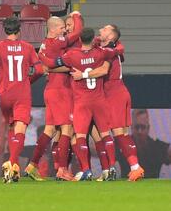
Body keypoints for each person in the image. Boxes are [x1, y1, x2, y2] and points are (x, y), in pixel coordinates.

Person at [42, 28, 122, 181]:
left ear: (80, 40)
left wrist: (41, 55)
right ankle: (111, 167)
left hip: (81, 102)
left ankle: (86, 170)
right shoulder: (101, 53)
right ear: (93, 40)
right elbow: (115, 53)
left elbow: (51, 63)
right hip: (99, 100)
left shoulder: (72, 55)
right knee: (105, 134)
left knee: (80, 136)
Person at [25, 12, 83, 182]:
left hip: (51, 89)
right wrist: (77, 16)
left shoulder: (44, 44)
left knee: (49, 130)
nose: (65, 30)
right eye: (62, 28)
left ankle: (31, 166)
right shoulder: (57, 42)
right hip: (60, 90)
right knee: (67, 129)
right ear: (54, 29)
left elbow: (46, 66)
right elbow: (78, 33)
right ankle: (63, 170)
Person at [0, 17, 46, 183]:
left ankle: (13, 169)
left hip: (4, 93)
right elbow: (40, 70)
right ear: (19, 30)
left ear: (5, 30)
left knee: (12, 129)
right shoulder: (27, 47)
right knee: (19, 129)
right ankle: (12, 162)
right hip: (21, 93)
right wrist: (29, 80)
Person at [96, 25, 144, 181]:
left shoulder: (110, 52)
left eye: (105, 29)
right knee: (115, 134)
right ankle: (126, 168)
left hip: (115, 94)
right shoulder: (109, 47)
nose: (101, 29)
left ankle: (135, 167)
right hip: (111, 94)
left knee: (118, 133)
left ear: (110, 37)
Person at [118, 109, 170, 178]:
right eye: (137, 127)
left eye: (143, 127)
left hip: (152, 188)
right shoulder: (122, 145)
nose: (139, 131)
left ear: (148, 128)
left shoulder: (157, 147)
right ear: (132, 128)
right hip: (127, 187)